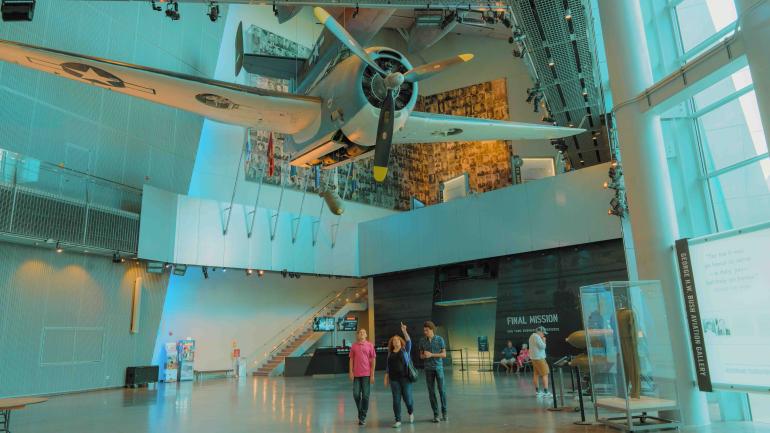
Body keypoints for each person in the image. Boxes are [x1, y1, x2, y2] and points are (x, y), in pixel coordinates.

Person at [384, 322, 415, 428]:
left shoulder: (405, 350)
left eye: (397, 340)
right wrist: (386, 377)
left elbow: (409, 341)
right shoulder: (390, 353)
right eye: (393, 341)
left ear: (400, 342)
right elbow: (388, 366)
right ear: (392, 343)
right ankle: (398, 420)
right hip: (394, 380)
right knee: (396, 400)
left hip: (405, 378)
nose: (395, 341)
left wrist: (404, 331)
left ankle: (410, 412)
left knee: (407, 399)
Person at [418, 321, 447, 423]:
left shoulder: (439, 339)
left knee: (442, 391)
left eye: (427, 330)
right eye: (424, 330)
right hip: (428, 369)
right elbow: (421, 356)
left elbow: (444, 355)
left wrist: (432, 355)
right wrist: (424, 356)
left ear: (432, 329)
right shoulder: (422, 341)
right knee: (431, 393)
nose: (425, 332)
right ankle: (436, 415)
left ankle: (444, 412)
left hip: (438, 369)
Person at [349, 328, 376, 426]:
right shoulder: (354, 346)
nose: (361, 334)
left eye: (363, 332)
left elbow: (373, 360)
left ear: (366, 335)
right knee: (356, 394)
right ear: (357, 335)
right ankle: (361, 411)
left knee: (365, 396)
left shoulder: (370, 345)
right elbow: (351, 359)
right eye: (360, 333)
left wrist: (372, 374)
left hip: (366, 374)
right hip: (356, 375)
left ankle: (362, 416)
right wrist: (351, 372)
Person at [528, 326, 551, 397]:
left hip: (534, 358)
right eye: (543, 333)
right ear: (539, 332)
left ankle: (537, 391)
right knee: (545, 374)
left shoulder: (531, 336)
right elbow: (543, 347)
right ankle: (546, 392)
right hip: (539, 358)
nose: (544, 335)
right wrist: (544, 340)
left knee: (536, 374)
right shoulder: (537, 337)